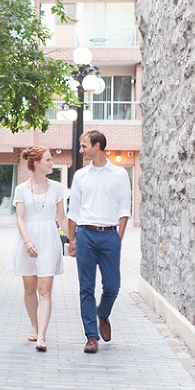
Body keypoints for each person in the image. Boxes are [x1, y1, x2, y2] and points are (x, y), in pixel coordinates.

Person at [66, 130, 131, 354]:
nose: (81, 150)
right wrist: (71, 239)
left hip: (110, 235)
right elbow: (73, 210)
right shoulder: (81, 176)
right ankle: (91, 336)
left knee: (113, 286)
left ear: (97, 146)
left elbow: (125, 208)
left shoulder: (120, 174)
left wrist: (118, 236)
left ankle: (103, 314)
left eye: (84, 146)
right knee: (86, 287)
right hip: (85, 234)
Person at [10, 146, 71, 352]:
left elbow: (61, 217)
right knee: (29, 289)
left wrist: (73, 239)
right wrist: (27, 242)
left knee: (44, 290)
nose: (51, 162)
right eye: (48, 159)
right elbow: (20, 218)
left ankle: (42, 335)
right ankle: (34, 325)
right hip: (27, 238)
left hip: (49, 238)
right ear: (36, 163)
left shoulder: (58, 188)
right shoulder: (21, 189)